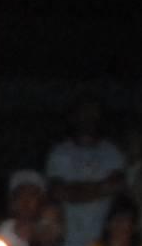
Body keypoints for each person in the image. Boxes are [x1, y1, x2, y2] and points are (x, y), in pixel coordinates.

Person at [47, 100, 129, 233]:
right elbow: (58, 191)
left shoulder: (112, 152)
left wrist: (75, 190)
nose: (88, 118)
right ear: (74, 117)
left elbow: (117, 185)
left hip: (103, 237)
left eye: (92, 113)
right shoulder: (60, 152)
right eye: (84, 113)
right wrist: (102, 187)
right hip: (68, 237)